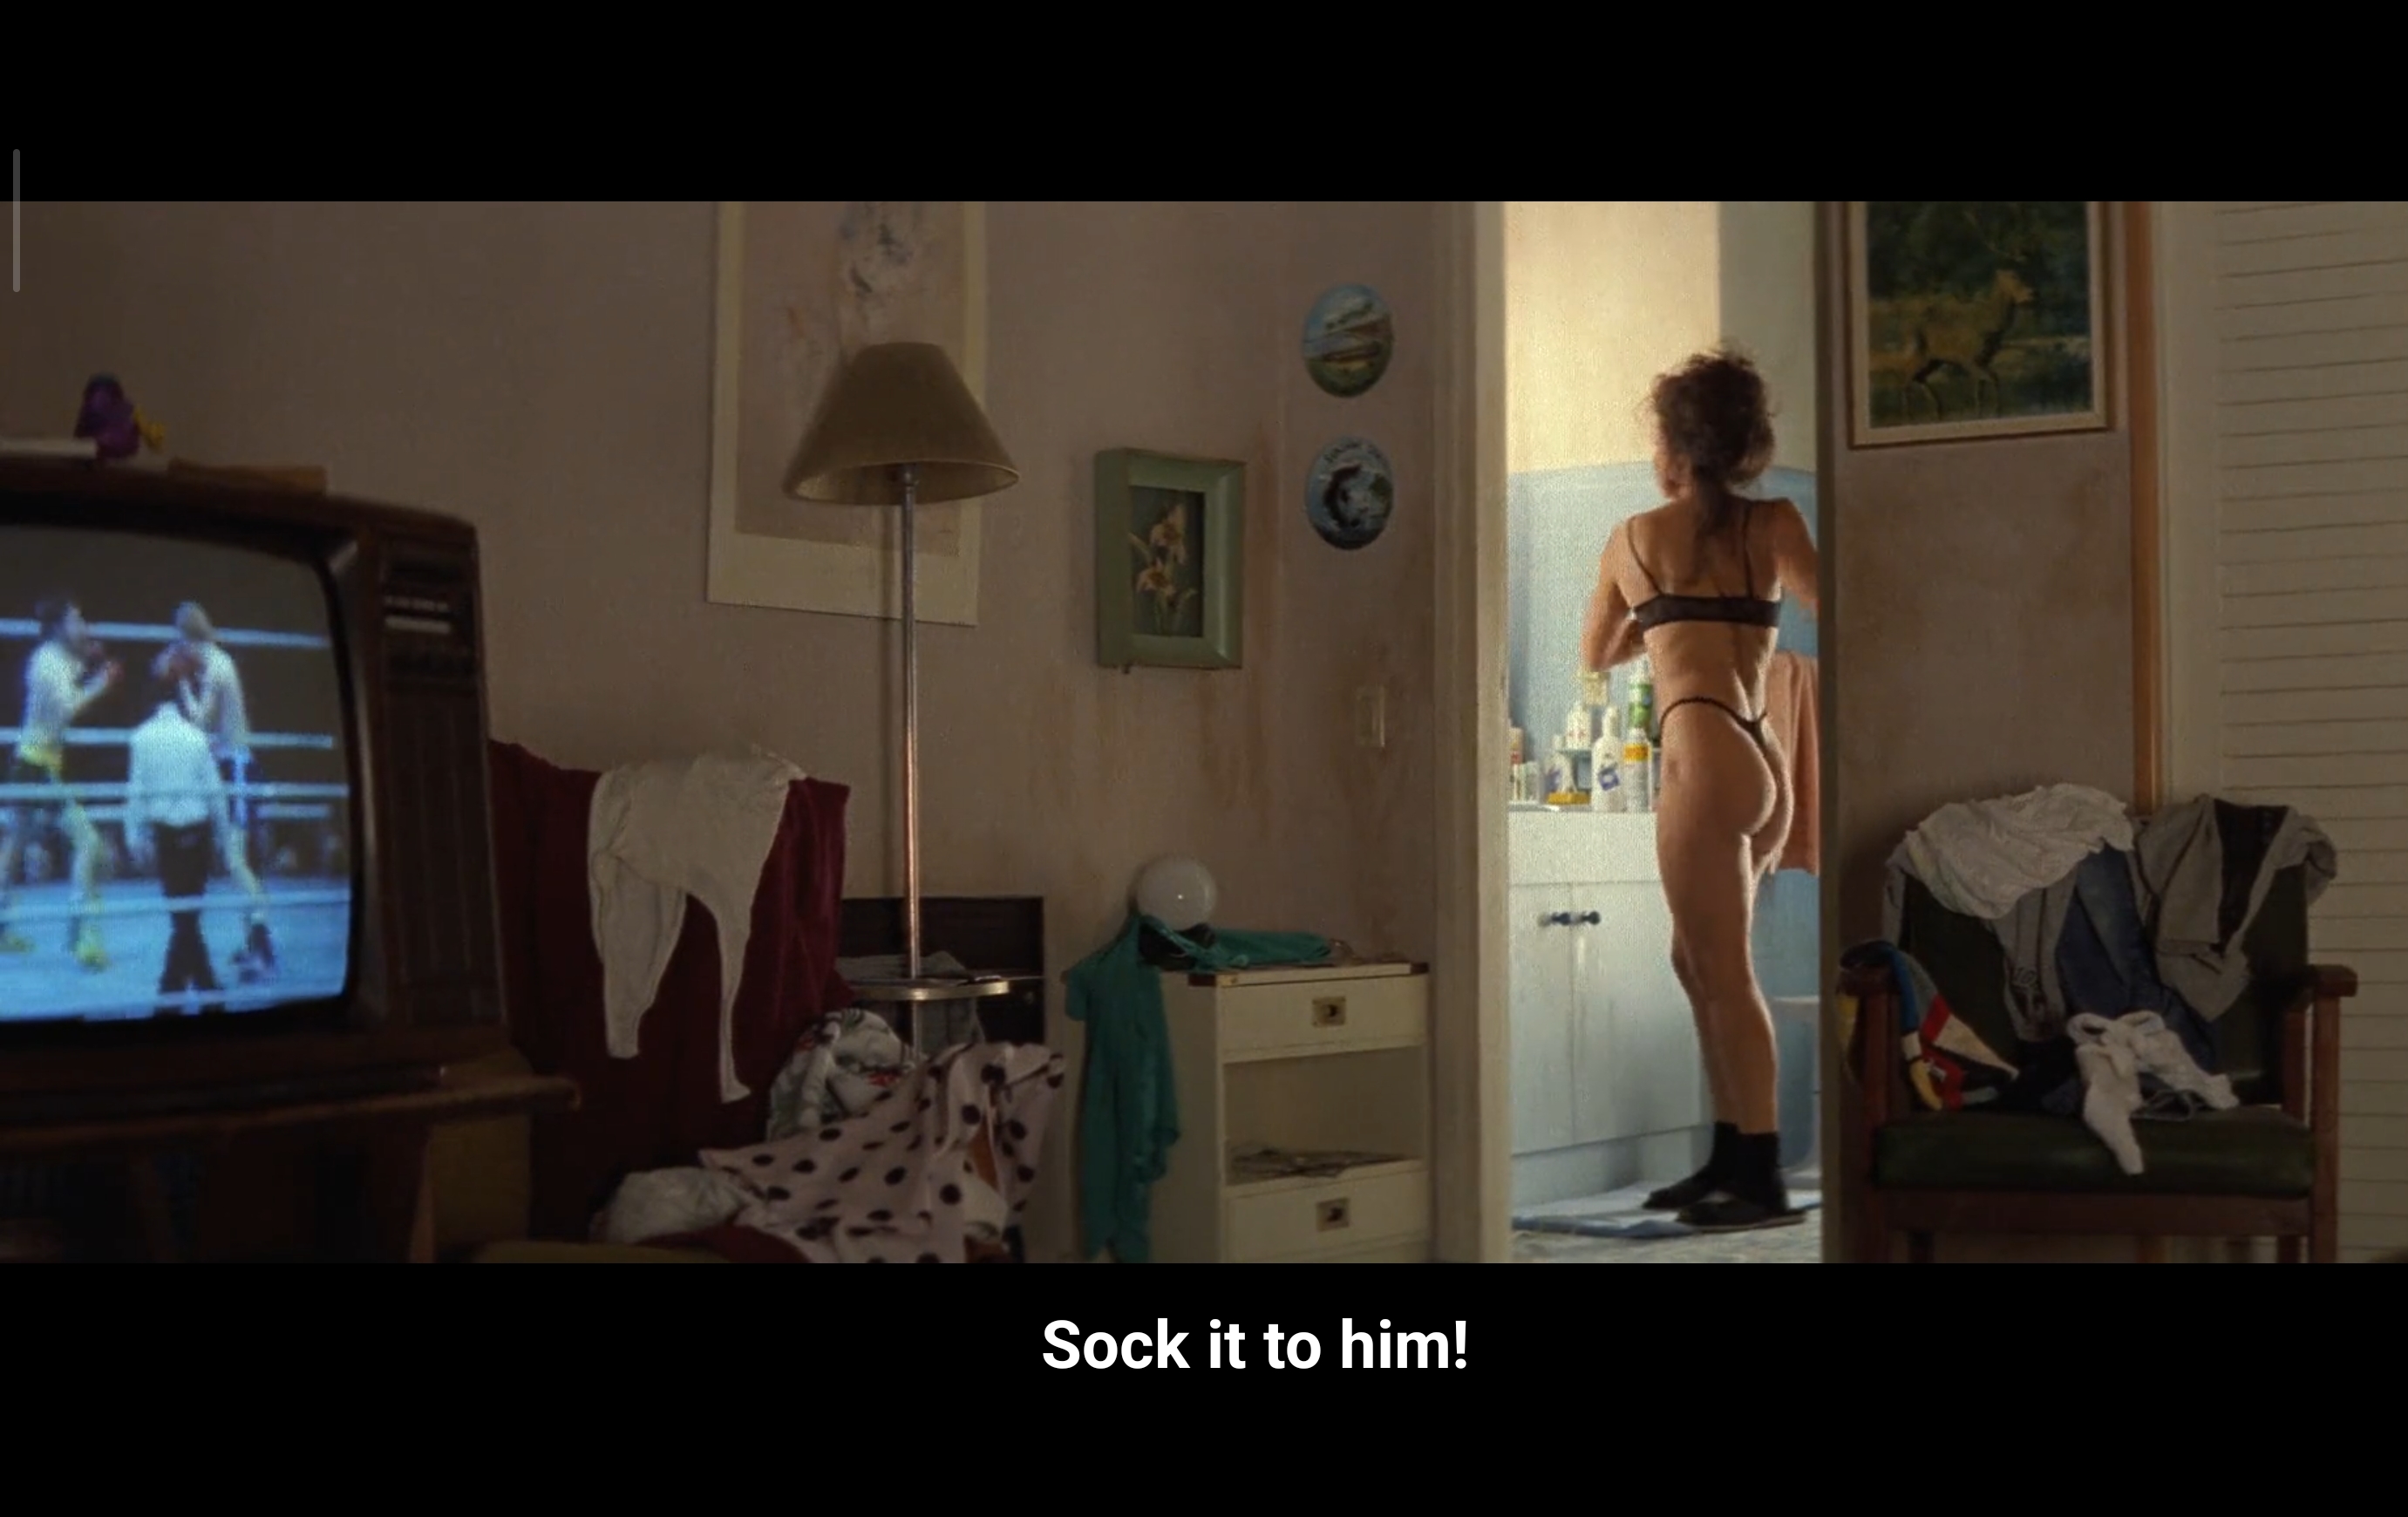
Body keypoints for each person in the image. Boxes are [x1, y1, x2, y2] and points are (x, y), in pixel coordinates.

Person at [1580, 347, 1820, 1234]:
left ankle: (1761, 1177)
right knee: (1696, 962)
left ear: (1671, 448)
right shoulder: (1774, 522)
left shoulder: (1634, 537)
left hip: (1702, 750)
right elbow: (1835, 605)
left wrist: (1665, 620)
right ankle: (1729, 1152)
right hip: (1762, 749)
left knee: (1723, 971)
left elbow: (1595, 654)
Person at [155, 602, 276, 980]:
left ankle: (265, 950)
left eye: (180, 642)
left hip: (237, 767)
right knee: (236, 859)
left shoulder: (216, 666)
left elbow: (199, 722)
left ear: (187, 637)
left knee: (237, 860)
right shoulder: (214, 662)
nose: (179, 649)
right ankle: (253, 942)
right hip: (230, 766)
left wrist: (180, 682)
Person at [0, 596, 121, 967]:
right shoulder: (47, 663)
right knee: (88, 843)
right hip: (38, 765)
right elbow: (66, 709)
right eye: (76, 620)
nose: (83, 626)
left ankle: (1, 929)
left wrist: (88, 661)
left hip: (32, 760)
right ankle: (82, 934)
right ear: (58, 627)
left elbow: (72, 676)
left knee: (13, 846)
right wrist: (100, 683)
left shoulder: (56, 658)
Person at [124, 657, 236, 1011]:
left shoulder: (141, 738)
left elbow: (136, 792)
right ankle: (204, 993)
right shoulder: (196, 738)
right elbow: (215, 793)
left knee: (183, 919)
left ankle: (172, 997)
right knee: (186, 919)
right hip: (197, 833)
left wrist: (134, 837)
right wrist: (224, 839)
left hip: (166, 837)